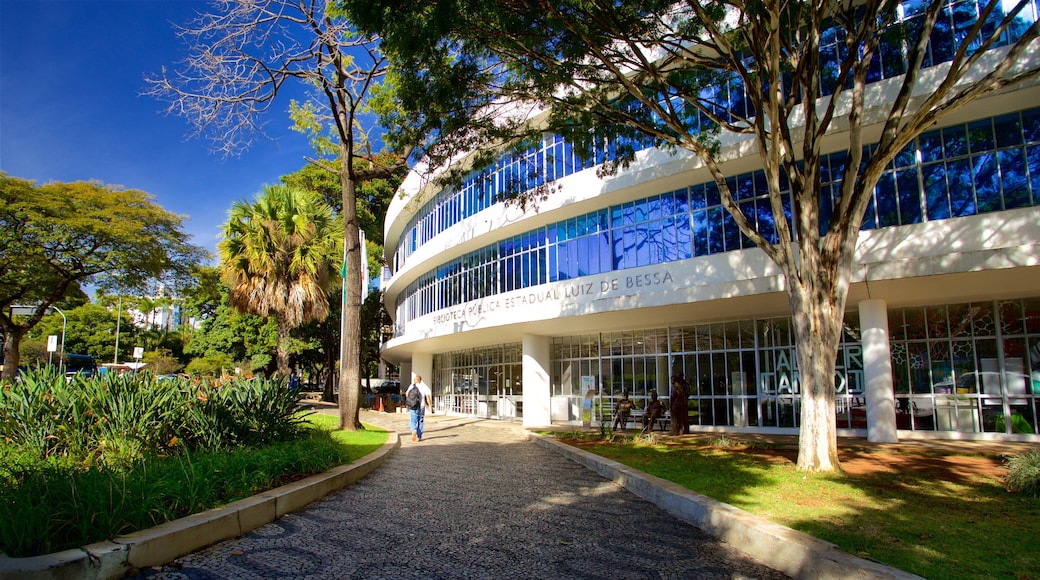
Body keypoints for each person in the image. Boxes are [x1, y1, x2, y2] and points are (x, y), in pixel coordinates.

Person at [406, 374, 434, 442]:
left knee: (413, 420)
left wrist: (410, 401)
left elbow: (407, 394)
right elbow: (427, 397)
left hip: (413, 405)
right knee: (420, 420)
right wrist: (430, 406)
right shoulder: (424, 387)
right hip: (421, 406)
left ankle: (414, 430)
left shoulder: (411, 386)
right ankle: (419, 436)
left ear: (415, 380)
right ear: (420, 380)